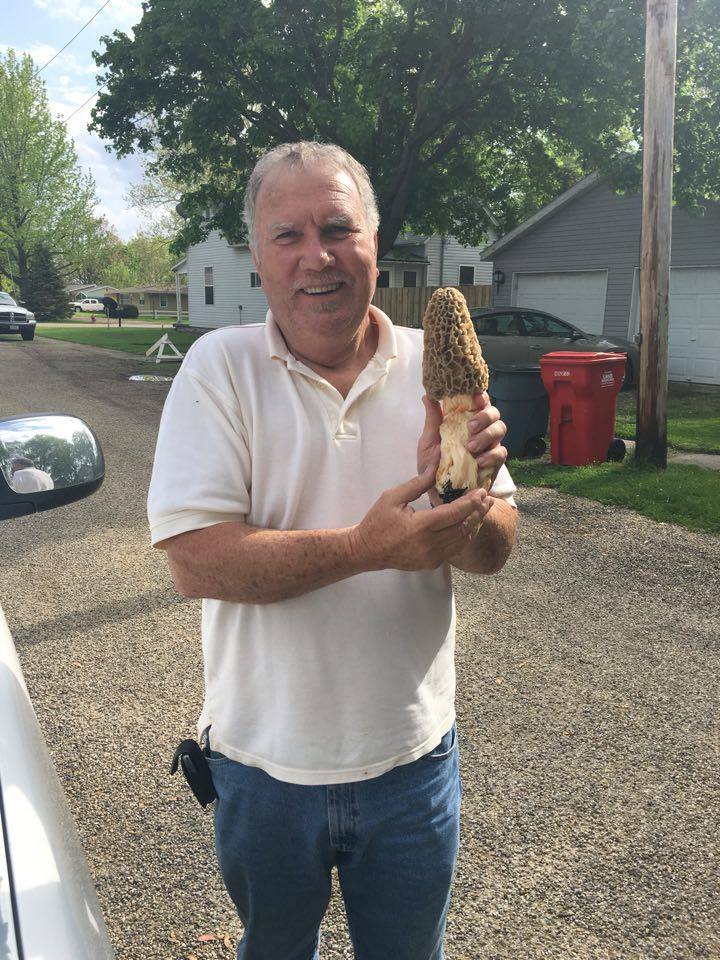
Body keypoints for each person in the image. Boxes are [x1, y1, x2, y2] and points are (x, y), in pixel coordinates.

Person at [147, 141, 519, 960]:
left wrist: (464, 490)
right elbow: (194, 561)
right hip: (261, 767)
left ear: (375, 243)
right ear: (256, 254)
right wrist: (364, 547)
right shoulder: (219, 370)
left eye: (338, 228)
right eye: (288, 234)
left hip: (414, 761)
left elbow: (493, 552)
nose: (316, 255)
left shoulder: (438, 370)